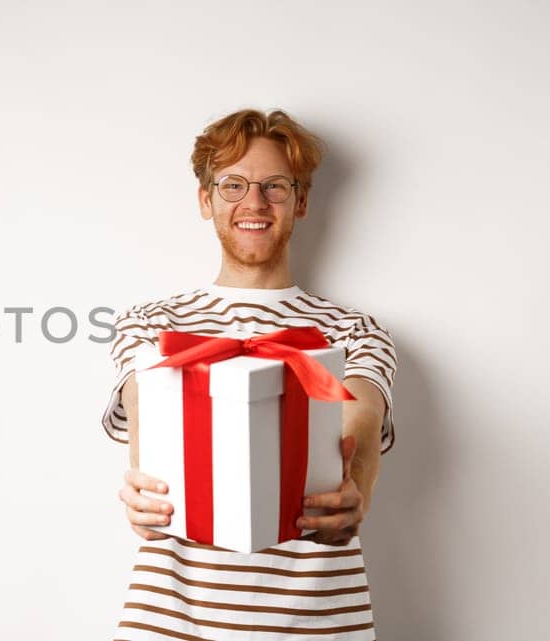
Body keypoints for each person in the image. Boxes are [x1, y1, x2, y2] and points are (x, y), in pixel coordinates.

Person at [101, 109, 397, 640]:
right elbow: (146, 426)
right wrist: (142, 493)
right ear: (205, 199)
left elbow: (360, 426)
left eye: (274, 187)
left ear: (301, 201)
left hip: (318, 627)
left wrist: (353, 492)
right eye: (232, 185)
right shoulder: (150, 323)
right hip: (172, 622)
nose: (253, 203)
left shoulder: (354, 331)